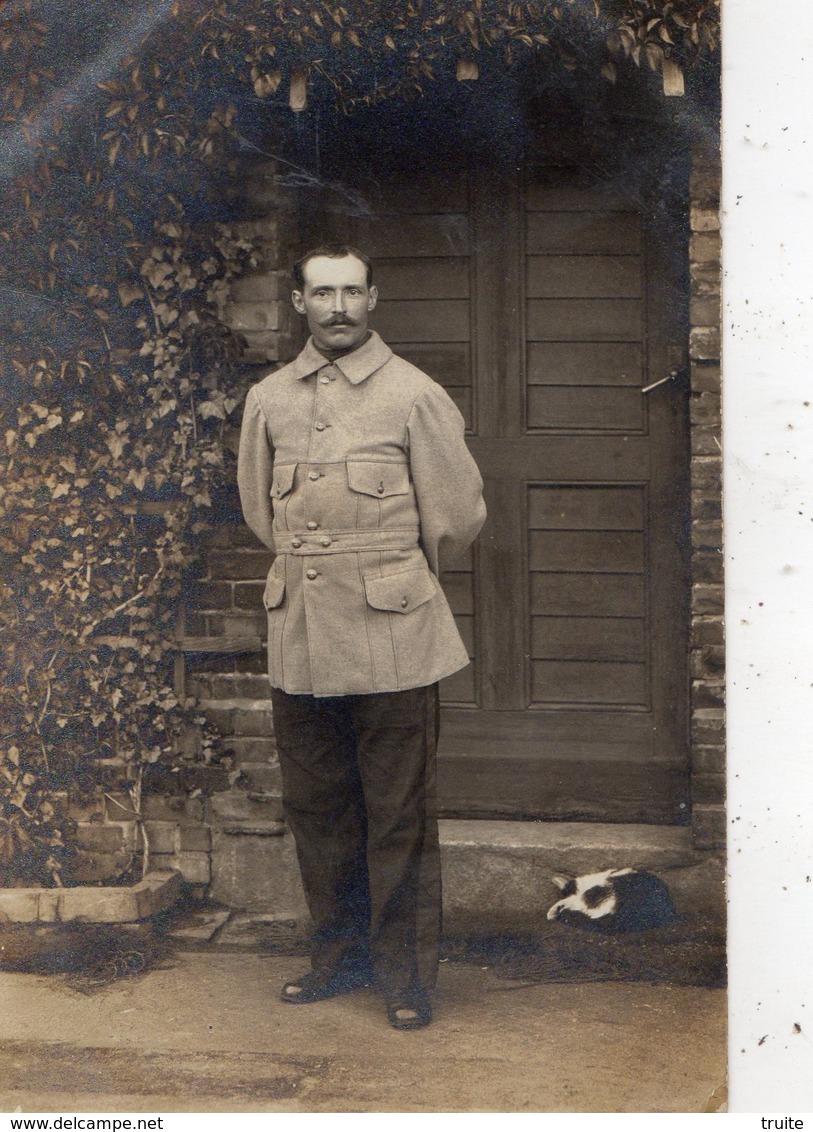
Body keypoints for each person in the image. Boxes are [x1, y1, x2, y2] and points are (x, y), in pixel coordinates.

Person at [237, 244, 486, 1030]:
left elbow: (455, 517)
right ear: (300, 302)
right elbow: (258, 511)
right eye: (322, 293)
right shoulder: (270, 399)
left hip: (392, 636)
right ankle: (336, 956)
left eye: (351, 291)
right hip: (302, 637)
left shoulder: (414, 396)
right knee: (317, 807)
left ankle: (404, 976)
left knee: (397, 813)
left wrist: (390, 580)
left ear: (373, 298)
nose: (337, 307)